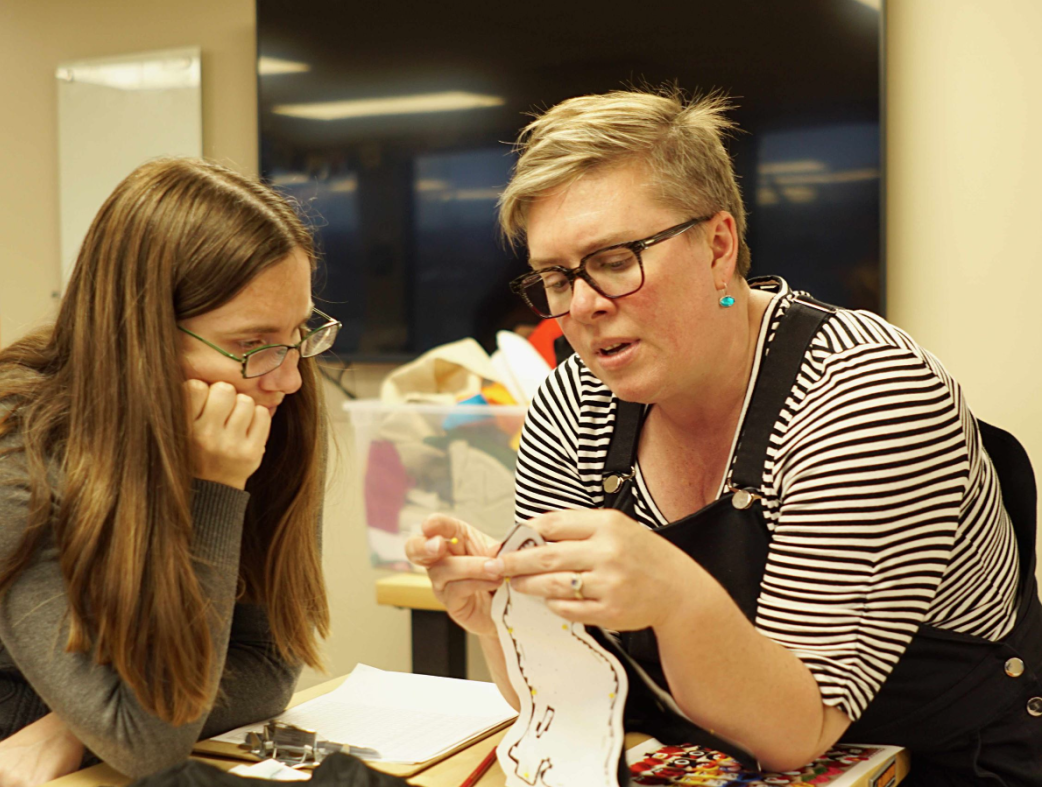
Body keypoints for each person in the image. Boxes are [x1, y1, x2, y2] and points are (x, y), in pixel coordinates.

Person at [407, 89, 1042, 785]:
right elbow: (577, 691)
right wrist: (501, 618)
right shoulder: (572, 405)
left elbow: (797, 730)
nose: (583, 306)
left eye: (616, 259)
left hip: (947, 762)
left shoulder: (864, 389)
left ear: (718, 245)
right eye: (558, 277)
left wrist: (674, 592)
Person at [0, 158, 339, 787]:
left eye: (299, 332)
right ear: (141, 334)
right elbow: (147, 739)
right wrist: (215, 492)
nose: (290, 376)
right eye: (251, 343)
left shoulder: (269, 403)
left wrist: (69, 729)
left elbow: (266, 665)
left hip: (119, 748)